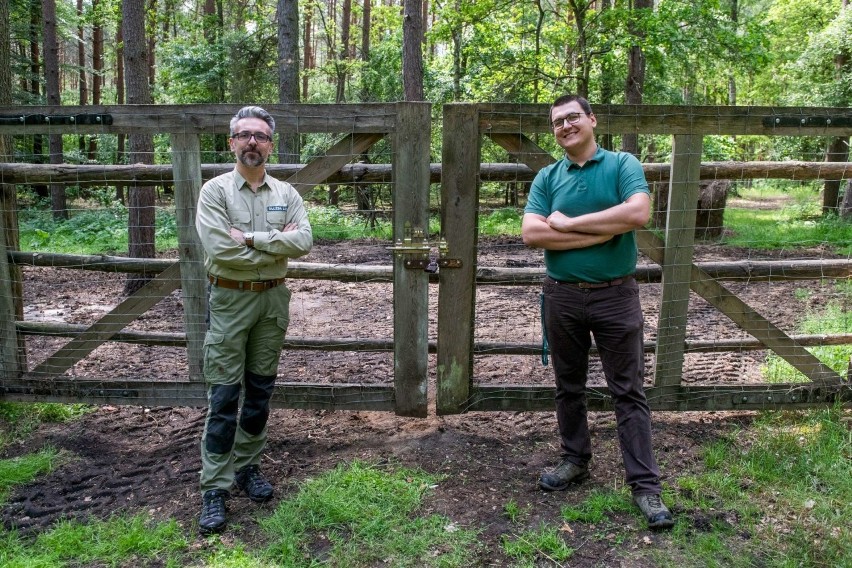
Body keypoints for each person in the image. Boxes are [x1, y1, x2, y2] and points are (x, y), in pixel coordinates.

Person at [521, 94, 674, 530]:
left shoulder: (622, 164)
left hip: (615, 295)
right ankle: (575, 460)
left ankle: (645, 487)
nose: (565, 125)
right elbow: (532, 234)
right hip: (562, 296)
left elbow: (639, 212)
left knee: (628, 391)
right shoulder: (548, 176)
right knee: (568, 386)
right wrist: (601, 233)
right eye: (557, 122)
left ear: (591, 119)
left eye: (573, 117)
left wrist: (567, 225)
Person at [194, 105, 313, 535]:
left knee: (260, 391)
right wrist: (273, 249)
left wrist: (252, 238)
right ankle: (215, 487)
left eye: (260, 136)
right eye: (244, 135)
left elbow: (305, 240)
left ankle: (248, 467)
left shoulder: (286, 194)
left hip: (272, 302)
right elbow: (219, 250)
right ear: (231, 142)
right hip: (230, 300)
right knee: (224, 397)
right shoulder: (215, 192)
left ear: (270, 144)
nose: (252, 142)